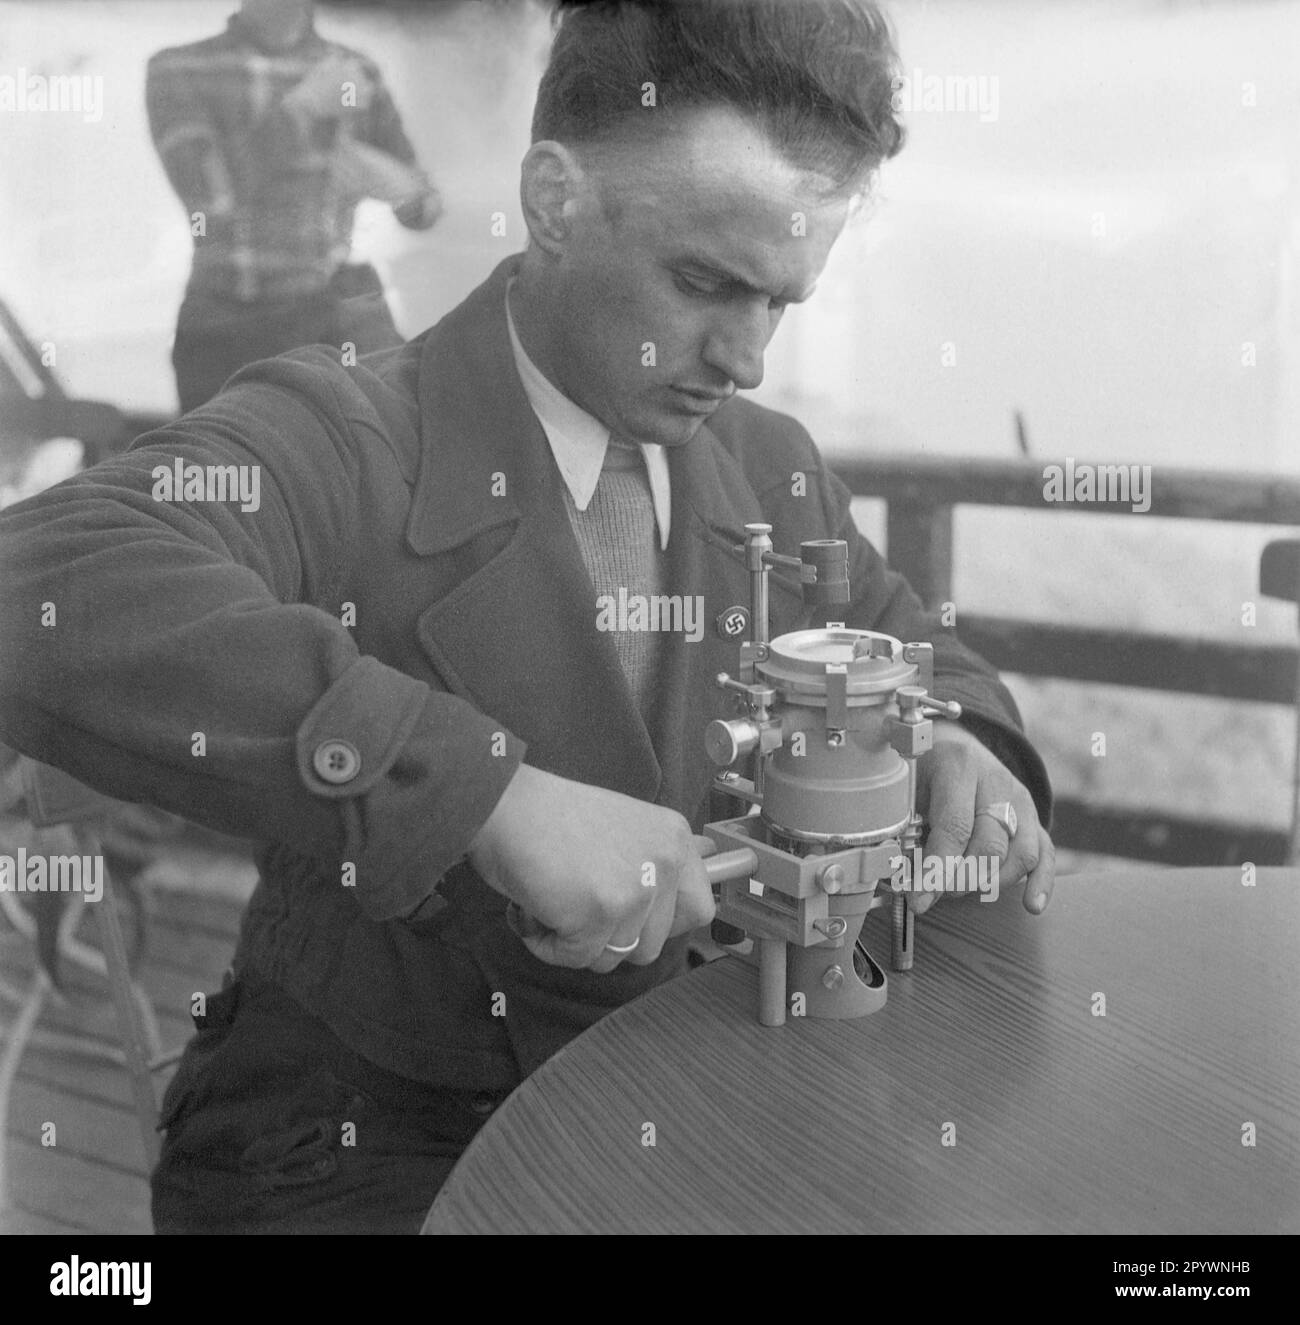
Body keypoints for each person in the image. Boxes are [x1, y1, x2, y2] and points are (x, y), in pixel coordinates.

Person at [0, 0, 1055, 1233]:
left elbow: (902, 632)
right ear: (552, 200)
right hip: (371, 1135)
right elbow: (45, 575)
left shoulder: (770, 460)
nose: (746, 356)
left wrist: (965, 739)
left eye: (782, 301)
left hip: (691, 1090)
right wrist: (482, 794)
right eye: (704, 281)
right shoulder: (349, 431)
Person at [146, 0, 443, 412]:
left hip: (332, 319)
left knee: (387, 453)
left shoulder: (355, 68)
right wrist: (304, 108)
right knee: (226, 473)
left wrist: (399, 186)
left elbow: (424, 210)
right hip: (226, 327)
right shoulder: (180, 69)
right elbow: (210, 200)